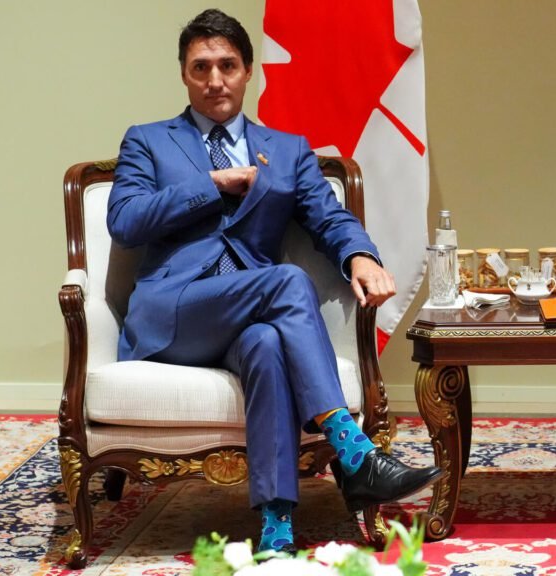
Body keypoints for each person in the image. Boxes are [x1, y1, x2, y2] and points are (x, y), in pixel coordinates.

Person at [107, 9, 441, 553]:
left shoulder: (287, 150)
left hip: (248, 319)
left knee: (265, 343)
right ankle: (352, 452)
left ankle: (277, 526)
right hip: (173, 313)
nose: (215, 80)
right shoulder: (149, 141)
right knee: (284, 281)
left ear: (248, 71)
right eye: (201, 67)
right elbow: (124, 221)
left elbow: (329, 218)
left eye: (227, 66)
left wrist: (359, 255)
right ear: (184, 74)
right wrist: (213, 183)